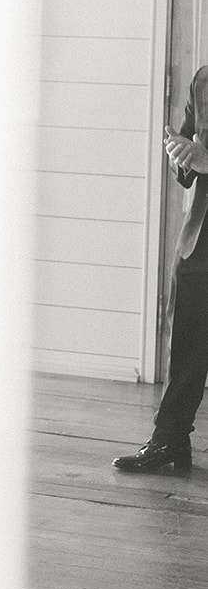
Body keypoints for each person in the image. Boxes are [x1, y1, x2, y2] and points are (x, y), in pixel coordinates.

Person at [115, 69, 208, 475]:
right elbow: (190, 161)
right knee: (184, 344)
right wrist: (180, 155)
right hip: (200, 236)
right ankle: (170, 440)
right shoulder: (203, 79)